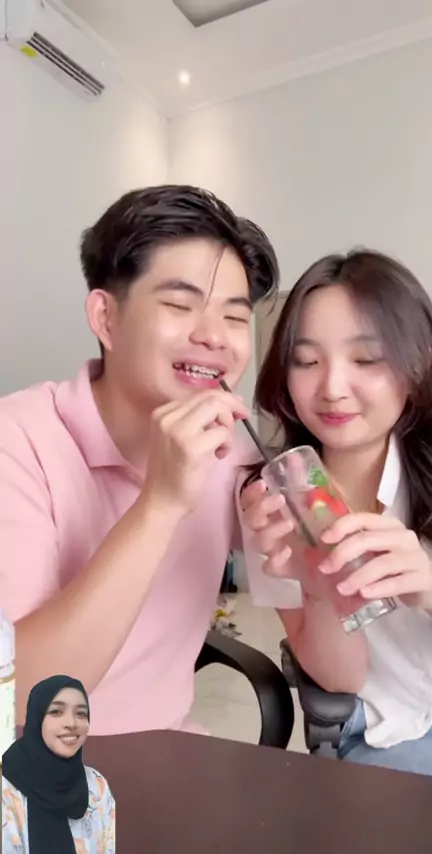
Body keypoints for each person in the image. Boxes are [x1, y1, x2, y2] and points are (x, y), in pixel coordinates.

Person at [0, 184, 279, 733]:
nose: (213, 337)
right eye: (178, 306)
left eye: (234, 317)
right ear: (106, 318)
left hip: (167, 749)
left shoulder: (231, 450)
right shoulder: (16, 440)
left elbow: (313, 610)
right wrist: (161, 504)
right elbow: (21, 697)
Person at [240, 249, 432, 784]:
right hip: (395, 733)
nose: (332, 387)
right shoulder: (272, 502)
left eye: (366, 359)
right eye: (306, 361)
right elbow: (339, 679)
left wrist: (431, 584)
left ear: (418, 365)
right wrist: (318, 586)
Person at [2, 675, 115, 853]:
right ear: (37, 718)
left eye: (81, 713)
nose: (71, 723)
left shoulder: (96, 785)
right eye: (56, 712)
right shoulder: (6, 787)